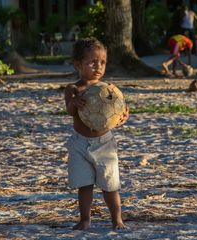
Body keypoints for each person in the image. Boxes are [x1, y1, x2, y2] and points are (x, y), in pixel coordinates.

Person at [64, 38, 129, 231]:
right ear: (78, 64)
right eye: (92, 62)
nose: (98, 66)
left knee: (110, 185)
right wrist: (74, 104)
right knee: (85, 185)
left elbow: (120, 108)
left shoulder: (109, 90)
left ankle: (117, 220)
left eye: (102, 62)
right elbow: (69, 110)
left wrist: (124, 114)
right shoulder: (74, 89)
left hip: (104, 144)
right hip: (80, 144)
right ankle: (85, 220)